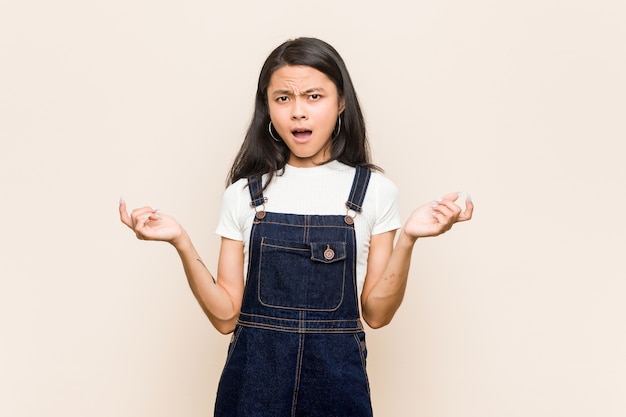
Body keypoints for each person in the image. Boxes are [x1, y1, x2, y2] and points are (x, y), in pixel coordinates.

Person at [119, 37, 473, 417]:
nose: (298, 112)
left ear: (340, 104)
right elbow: (225, 317)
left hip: (336, 389)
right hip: (251, 388)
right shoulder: (244, 195)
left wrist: (409, 240)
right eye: (283, 98)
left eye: (314, 96)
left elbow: (376, 314)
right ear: (267, 108)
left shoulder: (374, 192)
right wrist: (181, 242)